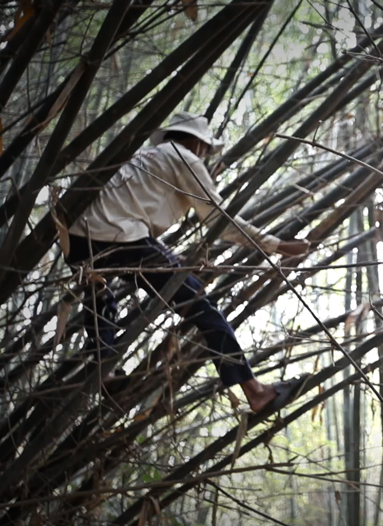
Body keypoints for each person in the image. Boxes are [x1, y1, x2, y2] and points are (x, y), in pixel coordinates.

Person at [66, 112, 309, 412]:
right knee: (201, 305)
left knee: (100, 295)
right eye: (206, 149)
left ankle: (105, 372)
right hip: (118, 236)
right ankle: (255, 391)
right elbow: (218, 218)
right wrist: (276, 245)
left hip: (75, 236)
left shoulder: (144, 157)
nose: (206, 155)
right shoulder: (183, 158)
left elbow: (121, 210)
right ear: (196, 142)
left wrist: (168, 256)